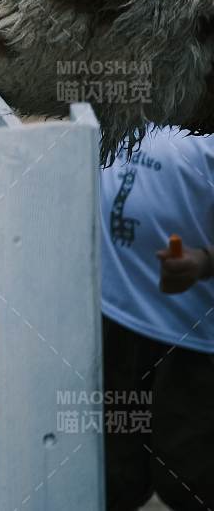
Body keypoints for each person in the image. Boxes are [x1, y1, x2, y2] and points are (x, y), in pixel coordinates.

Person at [100, 126, 214, 511]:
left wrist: (204, 262)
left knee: (189, 474)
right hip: (116, 320)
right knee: (115, 471)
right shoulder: (139, 105)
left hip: (191, 339)